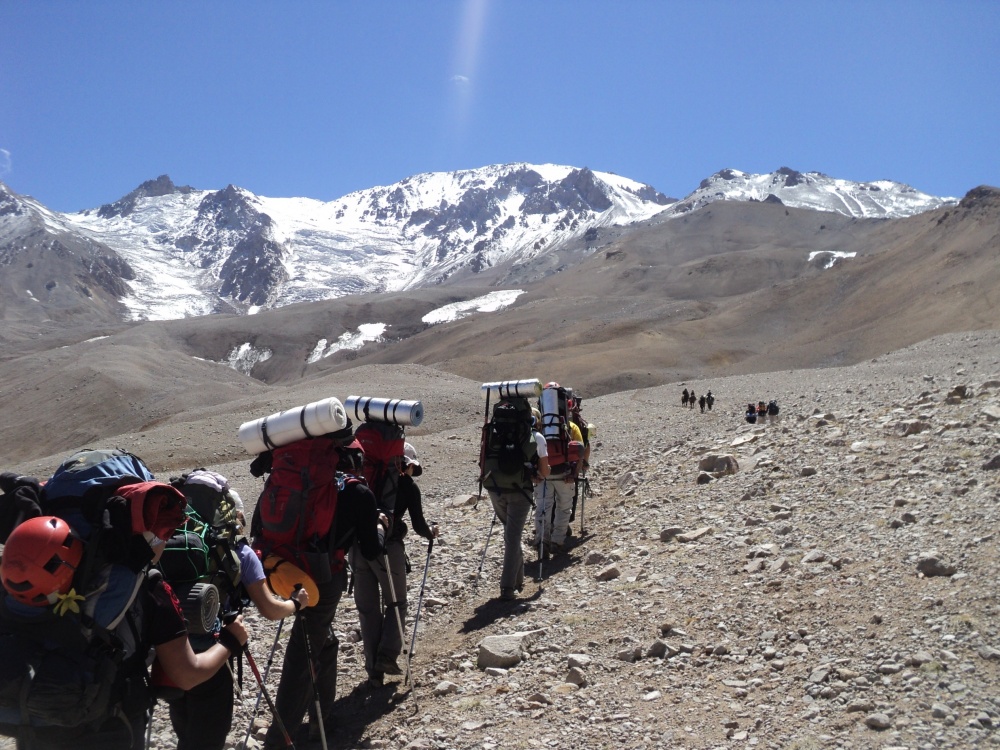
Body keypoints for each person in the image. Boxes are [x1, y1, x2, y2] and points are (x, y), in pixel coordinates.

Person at [16, 531, 250, 750]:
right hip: (111, 725)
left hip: (30, 720)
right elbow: (187, 675)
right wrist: (229, 641)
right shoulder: (146, 585)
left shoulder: (37, 576)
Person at [165, 472, 310, 750]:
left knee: (187, 729)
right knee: (208, 736)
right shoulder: (237, 552)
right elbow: (269, 609)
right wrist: (295, 603)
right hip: (213, 656)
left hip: (170, 655)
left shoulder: (170, 543)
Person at [261, 437, 385, 750]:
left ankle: (321, 720)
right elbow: (371, 550)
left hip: (282, 571)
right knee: (302, 654)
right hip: (322, 581)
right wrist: (381, 525)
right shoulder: (358, 492)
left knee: (324, 642)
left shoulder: (290, 483)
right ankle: (280, 740)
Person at [351, 442, 438, 687]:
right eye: (412, 467)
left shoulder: (361, 481)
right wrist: (431, 532)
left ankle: (372, 671)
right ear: (406, 465)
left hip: (357, 550)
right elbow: (420, 525)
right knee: (397, 603)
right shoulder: (407, 486)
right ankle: (387, 655)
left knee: (368, 610)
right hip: (387, 549)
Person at [485, 401, 548, 601]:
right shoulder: (536, 437)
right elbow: (545, 472)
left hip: (494, 489)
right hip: (520, 492)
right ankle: (507, 587)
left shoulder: (492, 433)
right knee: (512, 537)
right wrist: (535, 474)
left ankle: (518, 579)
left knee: (511, 534)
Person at [533, 403, 585, 556]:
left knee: (543, 507)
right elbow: (580, 451)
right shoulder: (572, 427)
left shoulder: (538, 429)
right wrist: (574, 474)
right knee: (563, 508)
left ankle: (542, 540)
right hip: (564, 475)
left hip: (543, 475)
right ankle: (557, 541)